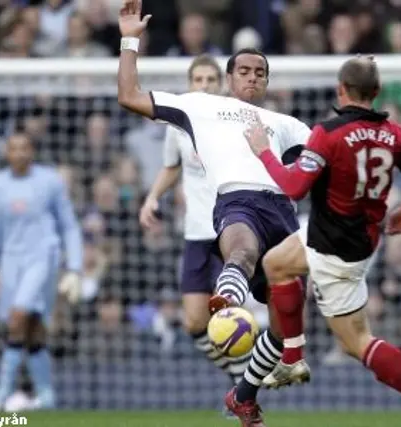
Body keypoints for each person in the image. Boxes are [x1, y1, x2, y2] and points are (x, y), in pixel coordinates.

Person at [242, 57, 401, 427]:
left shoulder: (327, 133)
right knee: (275, 263)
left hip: (331, 249)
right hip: (360, 239)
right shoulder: (397, 134)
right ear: (377, 92)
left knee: (357, 342)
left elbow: (293, 187)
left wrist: (263, 151)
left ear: (340, 89)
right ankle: (293, 357)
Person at [116, 2, 310, 425]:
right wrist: (130, 39)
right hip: (236, 201)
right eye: (244, 71)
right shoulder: (200, 107)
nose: (252, 78)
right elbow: (129, 96)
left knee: (284, 323)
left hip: (284, 213)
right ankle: (229, 304)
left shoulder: (288, 124)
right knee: (240, 248)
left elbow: (320, 166)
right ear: (229, 77)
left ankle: (243, 396)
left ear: (267, 81)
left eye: (260, 73)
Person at [139, 54, 251, 405]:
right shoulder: (179, 125)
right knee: (193, 323)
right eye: (197, 80)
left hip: (228, 233)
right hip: (194, 234)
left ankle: (245, 390)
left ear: (220, 84)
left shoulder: (235, 123)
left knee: (227, 317)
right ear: (189, 85)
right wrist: (152, 197)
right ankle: (240, 379)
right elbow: (171, 167)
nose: (203, 86)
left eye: (209, 80)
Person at [0, 133, 83, 410]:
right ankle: (47, 397)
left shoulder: (49, 181)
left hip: (43, 257)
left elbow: (69, 225)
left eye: (25, 148)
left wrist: (74, 268)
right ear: (7, 153)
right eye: (14, 148)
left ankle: (1, 396)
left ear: (32, 151)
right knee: (33, 328)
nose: (20, 153)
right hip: (11, 263)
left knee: (17, 317)